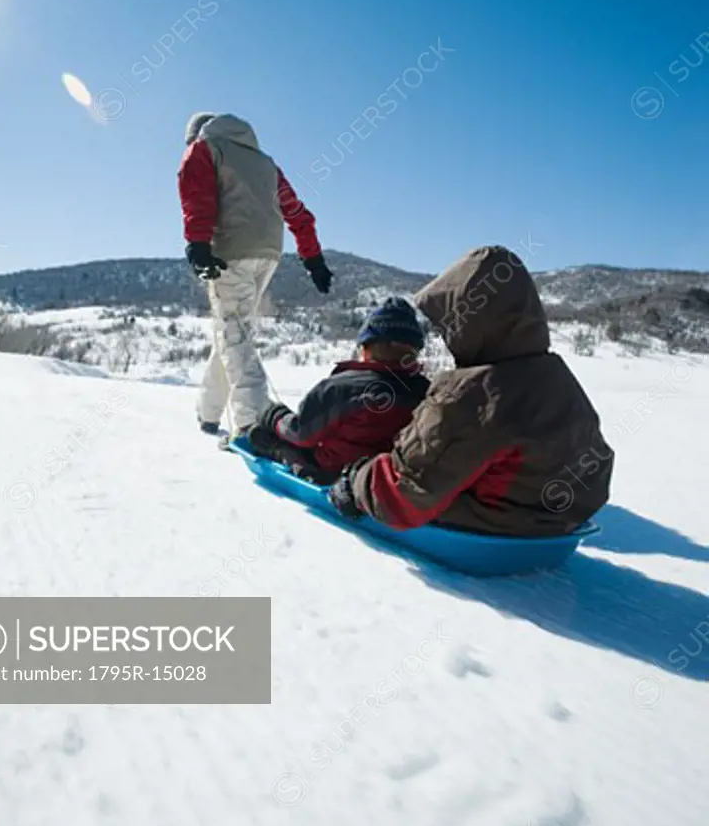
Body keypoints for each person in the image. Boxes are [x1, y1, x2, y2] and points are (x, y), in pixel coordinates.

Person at [329, 246, 613, 536]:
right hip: (560, 525)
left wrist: (356, 482)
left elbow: (403, 493)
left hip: (494, 529)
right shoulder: (557, 377)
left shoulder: (471, 394)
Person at [178, 112, 332, 436]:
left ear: (195, 135)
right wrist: (313, 259)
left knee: (233, 334)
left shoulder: (203, 149)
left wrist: (198, 245)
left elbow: (197, 198)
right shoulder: (265, 164)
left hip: (231, 251)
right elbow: (298, 214)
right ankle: (208, 412)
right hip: (268, 255)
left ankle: (252, 424)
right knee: (235, 332)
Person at [246, 297, 430, 484]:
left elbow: (302, 433)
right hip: (390, 480)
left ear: (366, 349)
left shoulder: (340, 388)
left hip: (333, 473)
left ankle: (276, 450)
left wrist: (275, 416)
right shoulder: (427, 391)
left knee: (270, 438)